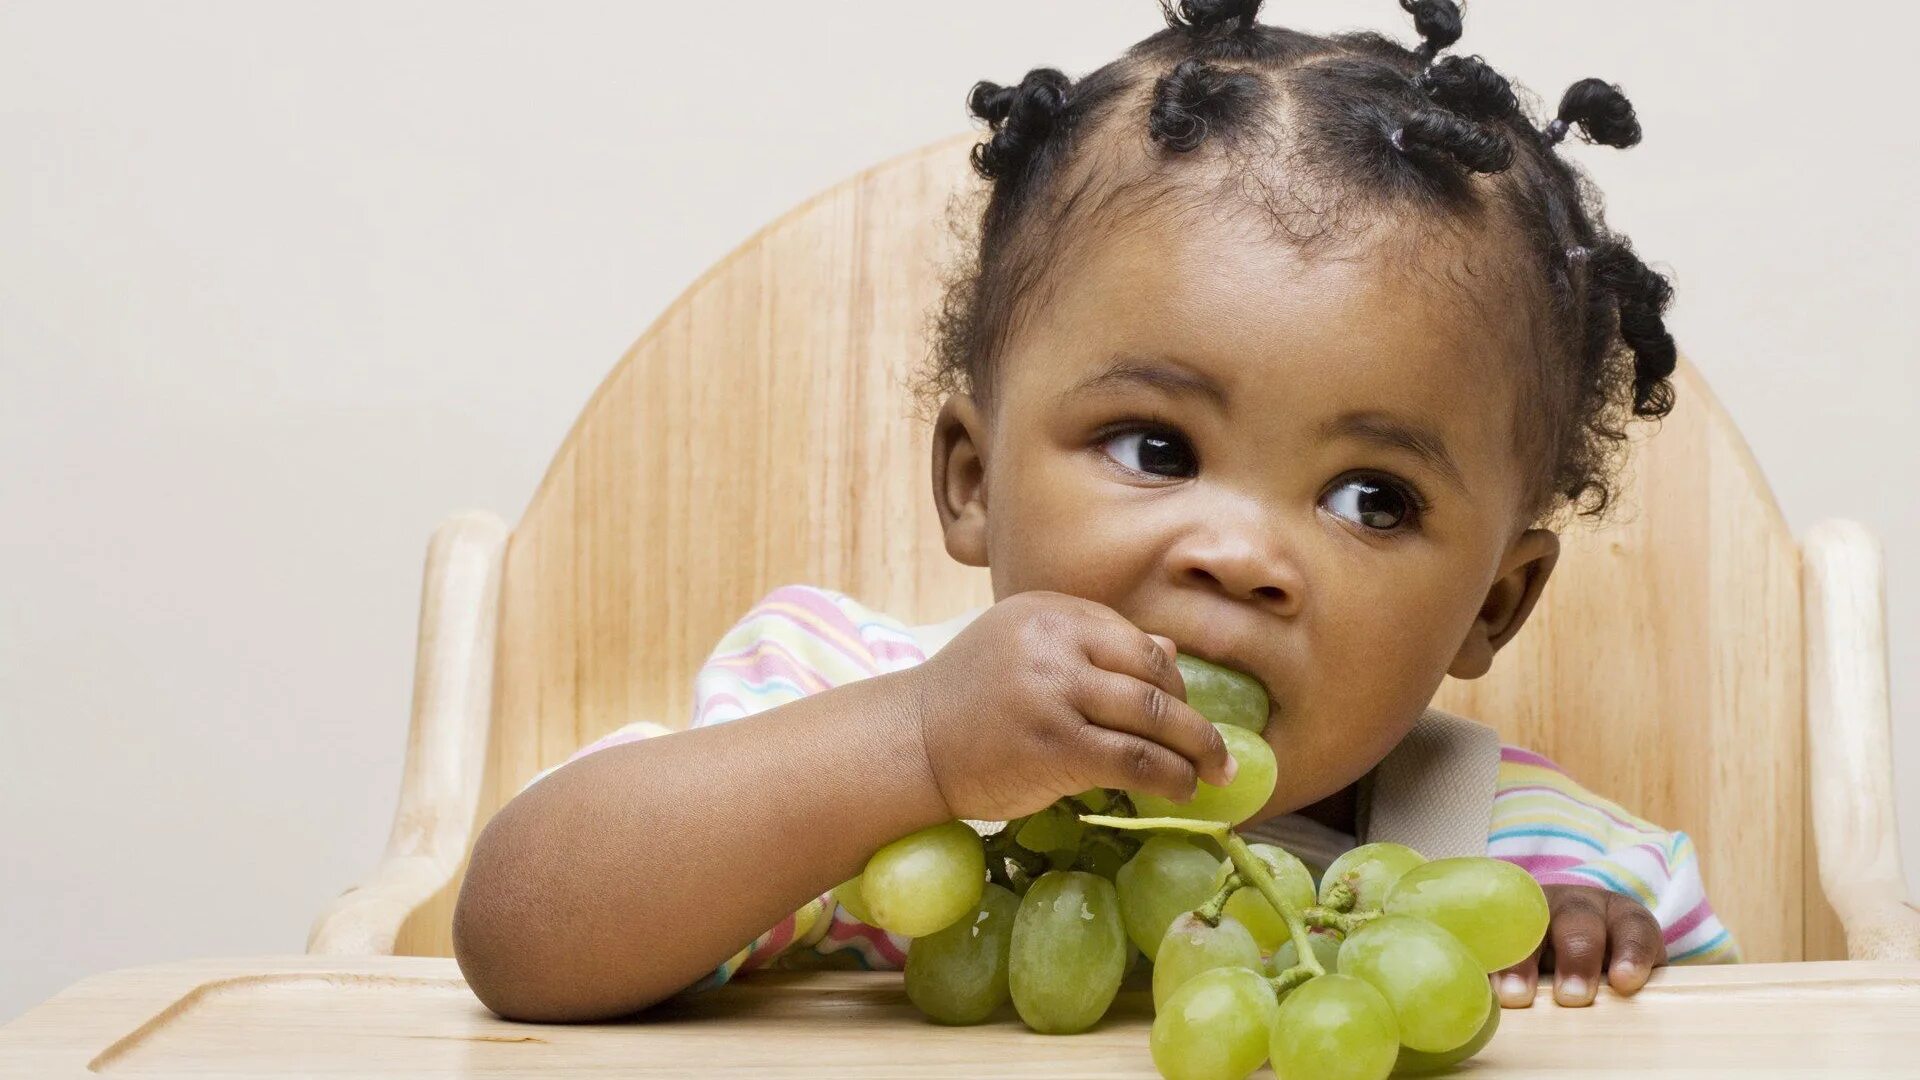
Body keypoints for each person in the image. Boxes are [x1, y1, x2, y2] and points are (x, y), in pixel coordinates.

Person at [451, 0, 1735, 1023]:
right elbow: (518, 934)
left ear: (1493, 605)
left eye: (1371, 499)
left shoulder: (1512, 848)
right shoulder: (838, 705)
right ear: (970, 480)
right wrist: (911, 747)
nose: (1242, 557)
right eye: (1156, 446)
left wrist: (1598, 966)